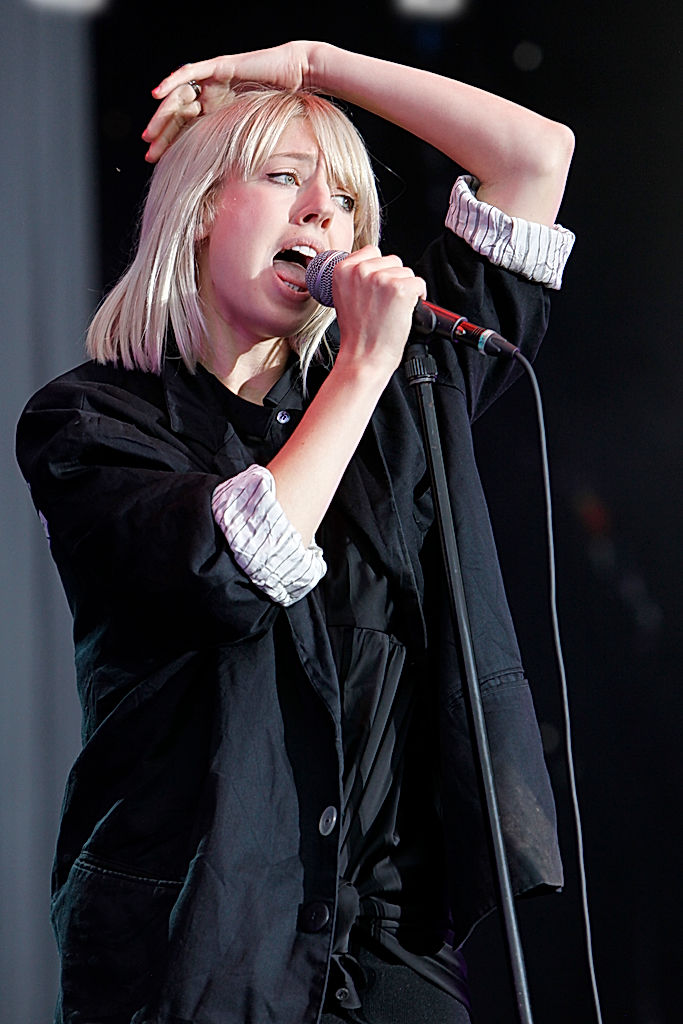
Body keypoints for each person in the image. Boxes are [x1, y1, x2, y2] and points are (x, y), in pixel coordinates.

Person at [16, 40, 575, 1024]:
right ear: (195, 219)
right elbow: (233, 567)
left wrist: (312, 63)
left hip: (385, 942)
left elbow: (534, 155)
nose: (325, 213)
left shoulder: (402, 393)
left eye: (347, 200)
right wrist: (362, 368)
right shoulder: (92, 422)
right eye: (282, 179)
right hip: (193, 942)